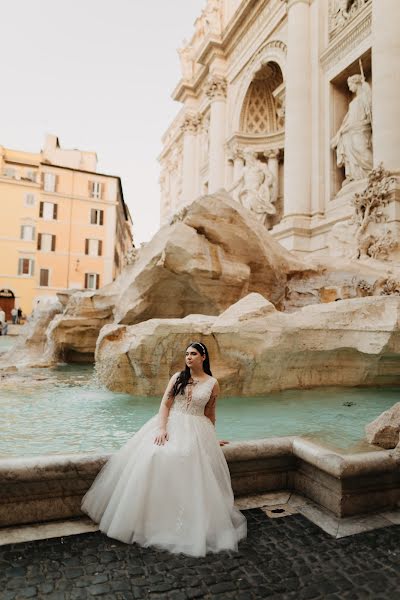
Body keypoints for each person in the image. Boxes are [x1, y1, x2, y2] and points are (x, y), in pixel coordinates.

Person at [81, 341, 247, 556]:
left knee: (186, 461)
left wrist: (211, 439)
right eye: (186, 353)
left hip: (198, 429)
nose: (188, 357)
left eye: (193, 354)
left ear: (203, 357)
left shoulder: (213, 383)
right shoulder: (178, 378)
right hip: (171, 425)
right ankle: (146, 519)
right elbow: (165, 404)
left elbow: (210, 414)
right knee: (155, 454)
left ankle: (183, 523)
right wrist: (161, 429)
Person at [331, 73, 373, 184]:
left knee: (360, 149)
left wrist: (366, 86)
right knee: (348, 144)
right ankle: (355, 175)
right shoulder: (353, 102)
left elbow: (369, 109)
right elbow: (347, 120)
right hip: (351, 130)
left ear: (356, 83)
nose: (349, 88)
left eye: (350, 84)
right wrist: (339, 133)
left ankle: (372, 170)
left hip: (361, 129)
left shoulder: (364, 96)